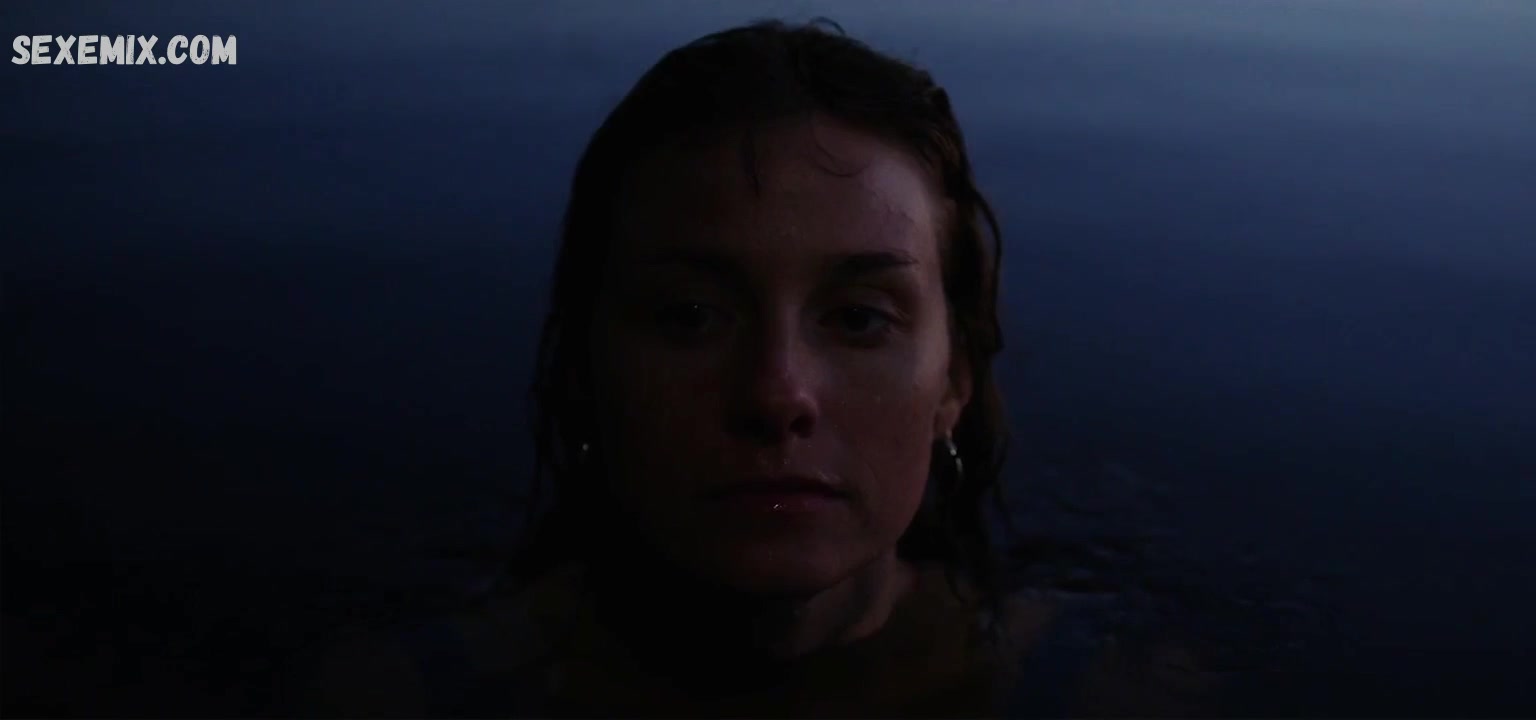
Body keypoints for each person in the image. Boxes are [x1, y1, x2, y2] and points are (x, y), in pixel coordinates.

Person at [295, 19, 1216, 718]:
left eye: (859, 319)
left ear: (954, 383)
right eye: (690, 316)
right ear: (583, 367)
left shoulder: (1115, 692)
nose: (777, 395)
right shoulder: (396, 695)